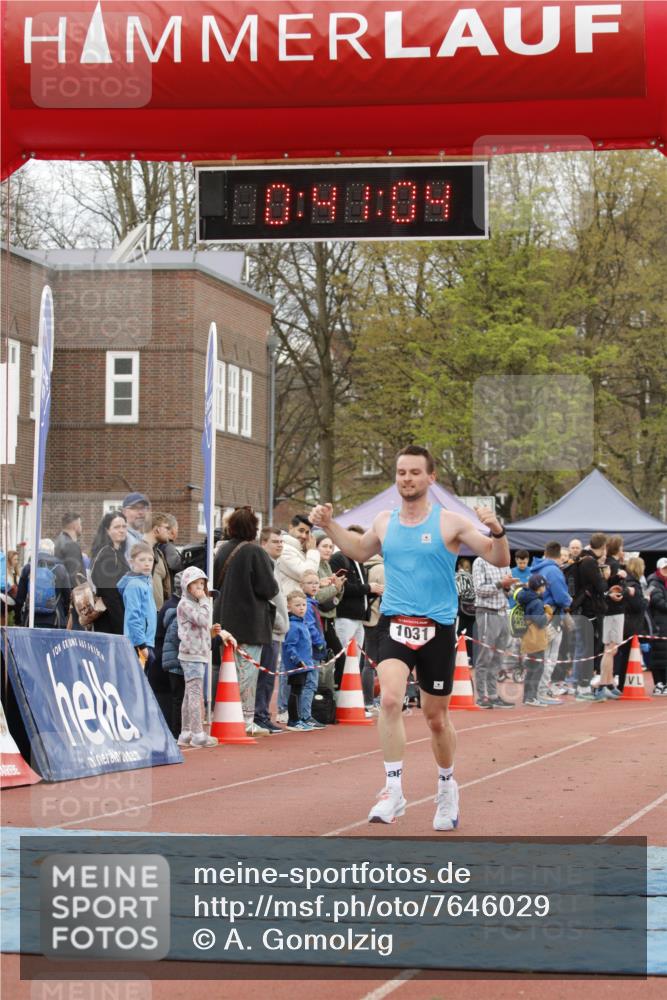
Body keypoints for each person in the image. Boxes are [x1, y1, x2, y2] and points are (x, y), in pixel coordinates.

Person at [310, 444, 510, 831]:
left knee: (436, 719)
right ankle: (393, 789)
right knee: (388, 699)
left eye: (415, 473)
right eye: (401, 472)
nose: (407, 479)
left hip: (436, 627)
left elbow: (497, 557)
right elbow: (358, 548)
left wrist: (498, 530)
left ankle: (448, 786)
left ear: (430, 478)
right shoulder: (385, 521)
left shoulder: (449, 522)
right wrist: (330, 526)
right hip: (394, 621)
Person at [212, 507, 278, 737]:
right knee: (247, 673)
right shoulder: (255, 552)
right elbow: (268, 588)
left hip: (223, 618)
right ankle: (245, 719)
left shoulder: (221, 551)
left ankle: (225, 715)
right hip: (250, 621)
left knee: (227, 670)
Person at [177, 566, 235, 749]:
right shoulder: (186, 604)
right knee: (195, 694)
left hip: (198, 653)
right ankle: (197, 733)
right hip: (191, 655)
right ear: (187, 587)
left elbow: (201, 627)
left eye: (202, 584)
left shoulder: (195, 605)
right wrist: (205, 602)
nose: (201, 589)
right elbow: (202, 619)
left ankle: (186, 732)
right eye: (197, 585)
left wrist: (211, 632)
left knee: (189, 694)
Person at [330, 525, 384, 689]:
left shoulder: (358, 561)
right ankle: (338, 696)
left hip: (359, 618)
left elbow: (360, 590)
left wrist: (374, 591)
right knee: (343, 659)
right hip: (345, 616)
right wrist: (369, 588)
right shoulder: (339, 558)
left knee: (356, 661)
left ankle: (352, 698)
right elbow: (343, 588)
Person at [255, 527, 289, 734]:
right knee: (264, 676)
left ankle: (263, 713)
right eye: (275, 541)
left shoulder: (275, 565)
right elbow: (267, 597)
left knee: (269, 676)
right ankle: (260, 715)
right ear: (263, 544)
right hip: (269, 628)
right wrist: (277, 620)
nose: (279, 545)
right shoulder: (264, 565)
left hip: (277, 628)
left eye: (281, 542)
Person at [529, 541, 572, 703]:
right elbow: (562, 597)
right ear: (559, 556)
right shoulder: (553, 571)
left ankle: (534, 693)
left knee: (539, 656)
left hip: (537, 616)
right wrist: (569, 600)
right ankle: (541, 692)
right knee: (549, 657)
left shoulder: (536, 567)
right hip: (551, 618)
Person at [472, 555, 516, 709]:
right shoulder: (480, 561)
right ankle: (481, 695)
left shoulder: (504, 562)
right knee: (485, 655)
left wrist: (508, 586)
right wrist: (500, 583)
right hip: (487, 612)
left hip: (503, 611)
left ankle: (493, 694)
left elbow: (510, 592)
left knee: (497, 657)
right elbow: (479, 590)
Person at [569, 533, 608, 702]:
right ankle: (582, 687)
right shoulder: (589, 562)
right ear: (602, 547)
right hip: (587, 611)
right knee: (586, 650)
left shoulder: (582, 559)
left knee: (584, 649)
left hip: (581, 609)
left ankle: (581, 686)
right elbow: (600, 586)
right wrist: (605, 577)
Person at [282, 589, 323, 732]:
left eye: (304, 605)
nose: (301, 608)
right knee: (295, 692)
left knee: (299, 691)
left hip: (305, 665)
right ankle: (293, 720)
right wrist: (297, 661)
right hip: (297, 666)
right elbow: (289, 646)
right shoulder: (293, 625)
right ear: (289, 607)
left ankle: (298, 718)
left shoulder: (302, 623)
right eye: (297, 605)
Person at [13, 539, 71, 628]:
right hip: (56, 619)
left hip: (31, 619)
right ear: (52, 552)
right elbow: (67, 596)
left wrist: (17, 619)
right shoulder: (61, 569)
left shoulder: (28, 568)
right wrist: (65, 614)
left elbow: (20, 598)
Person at [154, 571, 184, 738]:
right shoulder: (175, 609)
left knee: (175, 700)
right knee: (176, 700)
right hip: (168, 664)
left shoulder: (171, 605)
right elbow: (178, 637)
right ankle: (176, 733)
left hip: (163, 662)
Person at [117, 542, 157, 668]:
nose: (147, 563)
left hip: (146, 642)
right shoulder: (134, 586)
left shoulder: (146, 582)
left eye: (150, 560)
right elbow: (133, 617)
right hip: (138, 644)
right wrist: (142, 645)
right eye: (142, 559)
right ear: (131, 562)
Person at [90, 511, 130, 635]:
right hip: (110, 620)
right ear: (107, 530)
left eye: (124, 526)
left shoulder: (117, 553)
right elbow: (110, 595)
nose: (122, 530)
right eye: (117, 527)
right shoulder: (107, 554)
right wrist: (123, 629)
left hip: (115, 616)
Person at [613, 556, 648, 692]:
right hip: (630, 625)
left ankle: (623, 683)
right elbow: (637, 606)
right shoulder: (633, 585)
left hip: (625, 623)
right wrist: (645, 600)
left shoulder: (626, 583)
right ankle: (623, 685)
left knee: (624, 655)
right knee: (627, 656)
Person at [516, 574, 552, 707]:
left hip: (528, 638)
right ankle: (531, 697)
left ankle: (528, 697)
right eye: (544, 586)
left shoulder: (527, 598)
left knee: (531, 668)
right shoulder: (536, 602)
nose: (545, 589)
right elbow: (541, 622)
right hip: (535, 639)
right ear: (539, 587)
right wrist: (548, 613)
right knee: (537, 668)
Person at [299, 569, 328, 728]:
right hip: (310, 650)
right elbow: (310, 627)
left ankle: (304, 714)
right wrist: (320, 642)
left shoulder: (313, 603)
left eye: (316, 583)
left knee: (309, 683)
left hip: (313, 649)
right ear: (301, 585)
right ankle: (305, 715)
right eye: (309, 583)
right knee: (310, 683)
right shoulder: (307, 605)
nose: (314, 586)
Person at [276, 514, 320, 596]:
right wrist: (312, 551)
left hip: (298, 604)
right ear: (290, 528)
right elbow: (307, 574)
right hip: (289, 605)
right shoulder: (284, 549)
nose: (304, 536)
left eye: (307, 532)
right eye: (301, 530)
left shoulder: (299, 550)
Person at [647, 557, 667, 695]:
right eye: (665, 569)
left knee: (663, 655)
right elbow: (658, 602)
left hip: (663, 624)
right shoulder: (654, 583)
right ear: (659, 569)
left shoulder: (663, 583)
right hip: (658, 625)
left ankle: (663, 683)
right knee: (658, 655)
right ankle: (659, 684)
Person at [54, 512, 85, 587]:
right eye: (80, 524)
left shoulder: (58, 540)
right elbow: (75, 577)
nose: (81, 527)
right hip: (71, 595)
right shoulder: (71, 545)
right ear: (75, 526)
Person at [121, 492, 151, 559]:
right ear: (124, 512)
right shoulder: (121, 537)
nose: (140, 512)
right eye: (135, 508)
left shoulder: (144, 537)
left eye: (143, 508)